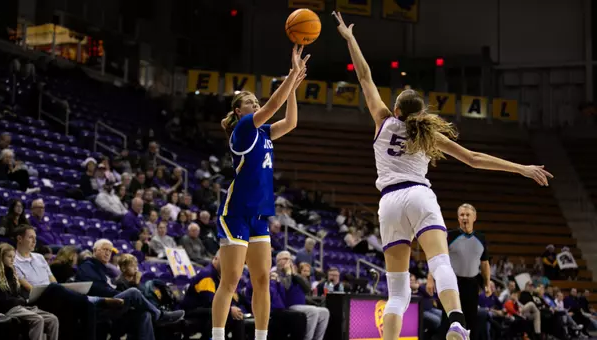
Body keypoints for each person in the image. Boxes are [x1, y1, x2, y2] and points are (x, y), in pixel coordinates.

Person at [332, 11, 553, 340]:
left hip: (388, 203)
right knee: (440, 263)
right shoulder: (428, 135)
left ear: (396, 110)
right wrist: (522, 168)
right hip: (418, 195)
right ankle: (456, 322)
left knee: (397, 293)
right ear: (419, 114)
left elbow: (364, 78)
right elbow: (474, 159)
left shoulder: (382, 120)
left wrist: (351, 40)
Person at [211, 45, 309, 340]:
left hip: (259, 215)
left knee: (263, 280)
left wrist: (294, 87)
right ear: (238, 111)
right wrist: (291, 75)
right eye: (249, 102)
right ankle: (217, 336)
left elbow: (290, 122)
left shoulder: (264, 132)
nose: (255, 104)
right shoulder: (242, 129)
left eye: (256, 100)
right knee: (229, 282)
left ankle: (262, 337)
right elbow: (270, 108)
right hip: (236, 212)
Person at [426, 204, 490, 340]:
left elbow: (485, 263)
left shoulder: (481, 238)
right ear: (458, 218)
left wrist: (487, 283)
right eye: (462, 215)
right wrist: (430, 279)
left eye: (468, 214)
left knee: (470, 322)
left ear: (475, 217)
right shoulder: (449, 236)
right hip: (452, 284)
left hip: (472, 285)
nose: (464, 217)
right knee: (448, 321)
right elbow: (437, 258)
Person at [0, 243, 59, 340]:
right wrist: (21, 300)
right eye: (9, 256)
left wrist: (22, 300)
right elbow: (1, 300)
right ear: (0, 257)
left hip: (19, 306)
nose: (12, 259)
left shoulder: (12, 272)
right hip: (7, 309)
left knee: (53, 319)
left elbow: (17, 294)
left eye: (14, 257)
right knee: (38, 319)